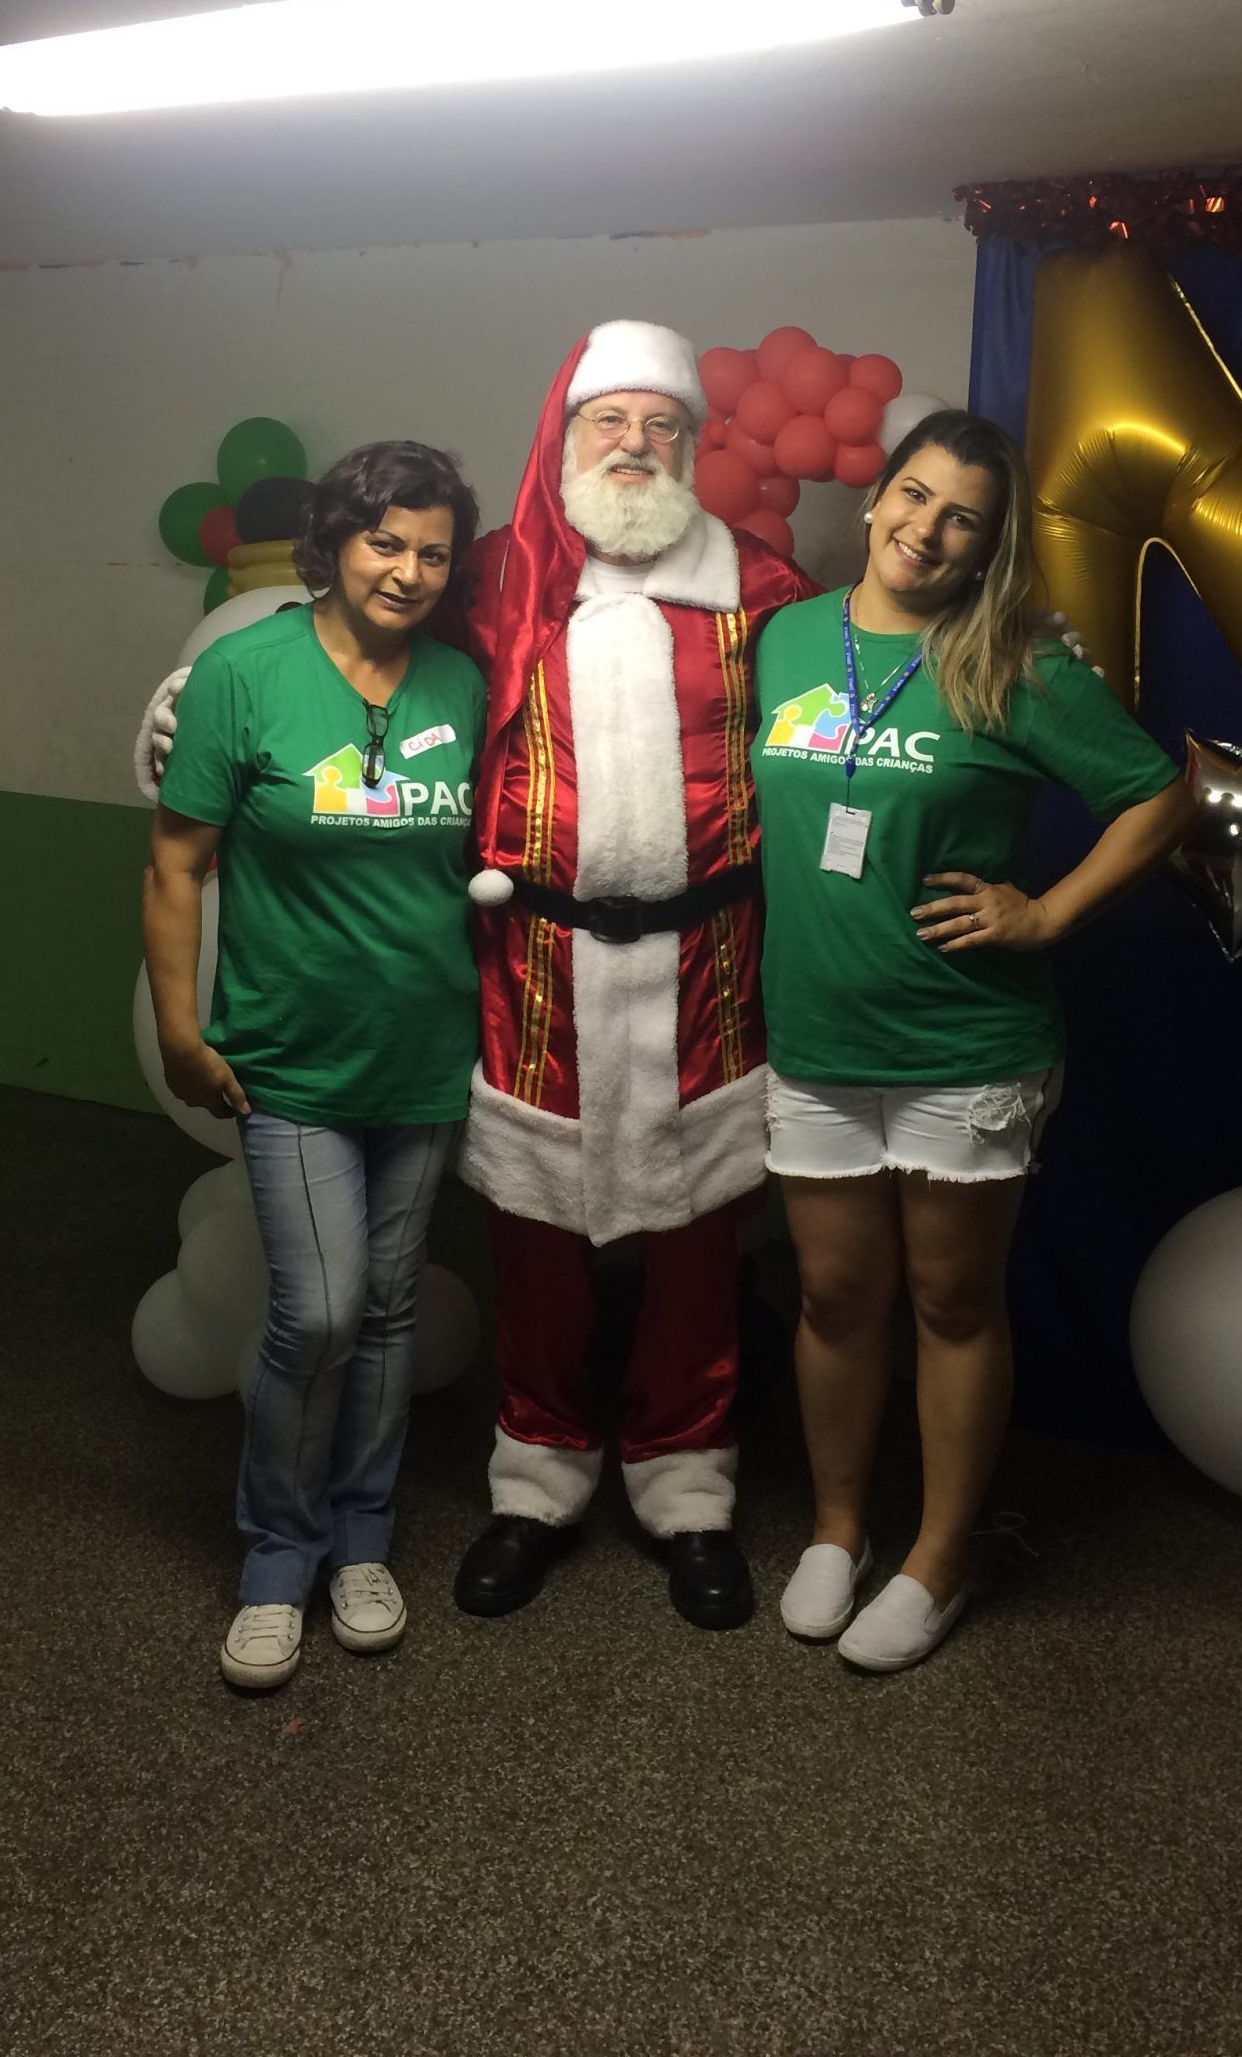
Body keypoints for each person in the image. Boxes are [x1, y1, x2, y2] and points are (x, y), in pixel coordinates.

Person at [751, 409, 1188, 1673]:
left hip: (966, 1039)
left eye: (963, 519)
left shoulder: (1014, 659)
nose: (926, 530)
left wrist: (1045, 911)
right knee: (835, 1297)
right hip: (816, 1032)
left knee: (949, 1301)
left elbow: (1157, 794)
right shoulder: (788, 638)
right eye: (915, 495)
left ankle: (938, 1559)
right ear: (876, 496)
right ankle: (837, 1530)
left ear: (989, 547)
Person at [448, 321, 813, 1630]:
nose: (636, 444)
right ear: (566, 435)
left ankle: (686, 1480)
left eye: (664, 424)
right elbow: (358, 648)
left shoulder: (763, 585)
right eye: (611, 420)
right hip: (536, 963)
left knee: (697, 1240)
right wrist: (204, 695)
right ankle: (536, 1476)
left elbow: (847, 714)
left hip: (705, 960)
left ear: (694, 444)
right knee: (535, 1236)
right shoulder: (499, 574)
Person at [143, 440, 485, 1692]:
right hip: (287, 1054)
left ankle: (362, 1537)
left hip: (426, 1050)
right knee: (322, 1309)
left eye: (434, 551)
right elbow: (176, 862)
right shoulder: (246, 672)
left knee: (387, 1308)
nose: (408, 570)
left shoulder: (462, 680)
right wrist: (182, 1031)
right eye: (386, 542)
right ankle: (277, 1555)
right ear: (334, 543)